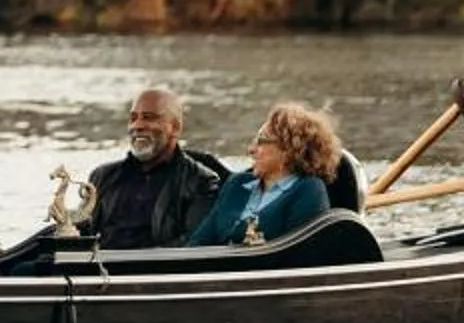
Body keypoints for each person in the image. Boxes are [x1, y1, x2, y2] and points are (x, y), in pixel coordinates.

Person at [186, 102, 343, 247]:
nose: (251, 150)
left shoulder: (309, 190)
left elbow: (299, 254)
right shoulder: (237, 184)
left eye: (261, 141)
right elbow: (199, 242)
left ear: (289, 149)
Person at [86, 87, 226, 249]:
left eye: (148, 118)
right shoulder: (102, 177)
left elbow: (193, 244)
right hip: (100, 269)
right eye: (133, 118)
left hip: (157, 270)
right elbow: (80, 231)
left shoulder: (201, 183)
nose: (137, 126)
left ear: (175, 128)